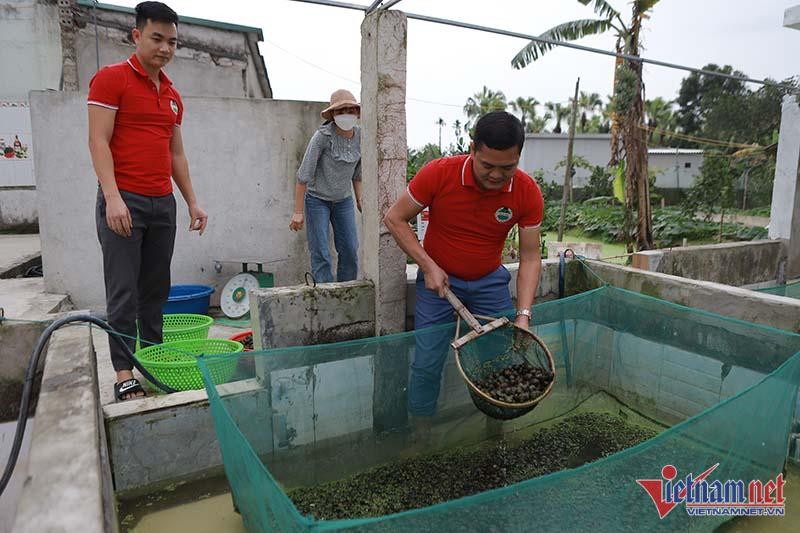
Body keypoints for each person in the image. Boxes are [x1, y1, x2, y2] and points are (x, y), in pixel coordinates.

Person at [383, 111, 544, 420]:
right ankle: (421, 434)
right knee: (427, 362)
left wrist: (523, 316)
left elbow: (531, 257)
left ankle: (495, 427)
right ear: (472, 149)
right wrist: (428, 266)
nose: (497, 176)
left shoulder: (527, 192)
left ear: (518, 158)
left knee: (500, 359)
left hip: (489, 284)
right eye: (488, 166)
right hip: (438, 284)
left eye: (507, 168)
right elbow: (395, 218)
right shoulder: (438, 174)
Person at [88, 1, 207, 401]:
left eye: (172, 41)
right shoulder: (111, 79)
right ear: (137, 35)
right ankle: (124, 373)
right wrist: (112, 198)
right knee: (123, 292)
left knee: (156, 291)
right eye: (157, 38)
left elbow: (176, 155)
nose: (165, 48)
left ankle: (153, 361)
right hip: (124, 202)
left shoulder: (173, 96)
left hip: (162, 204)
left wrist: (191, 201)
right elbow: (98, 141)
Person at [289, 89, 362, 283]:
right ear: (333, 115)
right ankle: (324, 294)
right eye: (340, 111)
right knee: (320, 252)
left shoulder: (361, 137)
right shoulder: (322, 137)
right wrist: (298, 212)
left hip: (343, 200)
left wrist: (360, 199)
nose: (346, 114)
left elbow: (357, 174)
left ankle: (346, 293)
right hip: (317, 200)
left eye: (350, 110)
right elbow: (303, 175)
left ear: (357, 112)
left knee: (350, 249)